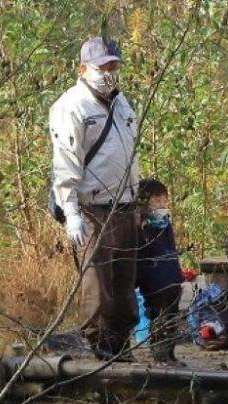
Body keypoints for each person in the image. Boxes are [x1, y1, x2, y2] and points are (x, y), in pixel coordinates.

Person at [49, 36, 141, 361]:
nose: (109, 72)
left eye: (113, 65)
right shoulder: (71, 106)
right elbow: (65, 163)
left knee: (124, 287)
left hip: (126, 207)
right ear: (84, 68)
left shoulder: (123, 103)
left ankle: (121, 346)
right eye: (103, 66)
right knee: (97, 289)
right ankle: (99, 350)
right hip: (92, 210)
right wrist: (70, 211)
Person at [135, 178, 184, 364]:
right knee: (158, 317)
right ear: (145, 202)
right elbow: (142, 256)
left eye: (164, 201)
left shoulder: (165, 223)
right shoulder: (143, 226)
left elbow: (171, 249)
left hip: (171, 277)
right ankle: (160, 355)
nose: (162, 205)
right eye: (157, 201)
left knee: (172, 317)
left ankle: (169, 353)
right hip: (154, 280)